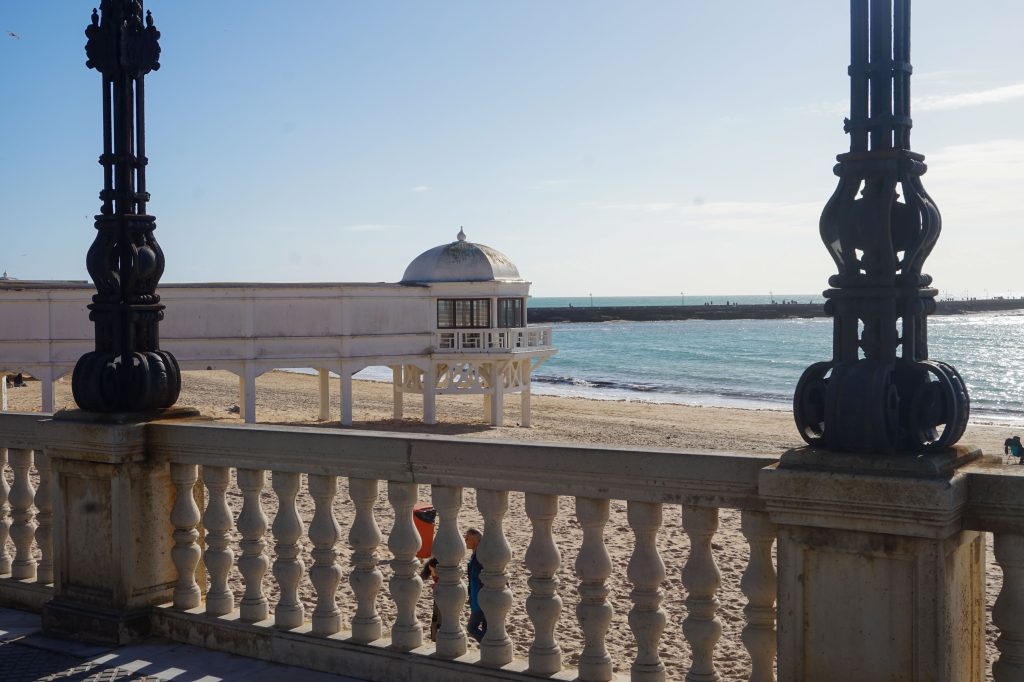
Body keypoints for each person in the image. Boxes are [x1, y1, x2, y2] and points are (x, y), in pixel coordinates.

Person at [464, 527, 486, 643]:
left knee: (471, 628)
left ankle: (489, 646)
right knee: (486, 629)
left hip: (480, 601)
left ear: (475, 539)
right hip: (476, 599)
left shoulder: (480, 558)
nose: (465, 540)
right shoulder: (475, 556)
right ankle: (489, 648)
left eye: (467, 538)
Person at [419, 557, 440, 641]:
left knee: (438, 617)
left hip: (441, 597)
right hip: (438, 597)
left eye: (432, 570)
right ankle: (434, 637)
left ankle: (435, 636)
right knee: (436, 617)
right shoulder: (437, 575)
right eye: (430, 570)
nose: (432, 573)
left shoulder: (441, 575)